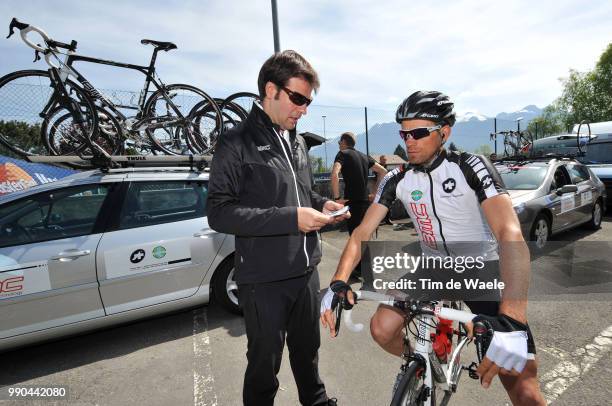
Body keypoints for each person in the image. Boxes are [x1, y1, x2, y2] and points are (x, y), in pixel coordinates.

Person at [320, 91, 546, 405]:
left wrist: (513, 317)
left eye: (418, 133)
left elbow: (510, 234)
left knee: (524, 391)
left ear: (444, 132)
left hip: (480, 270)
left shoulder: (470, 166)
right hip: (434, 268)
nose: (408, 141)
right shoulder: (397, 178)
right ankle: (425, 363)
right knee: (382, 328)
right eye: (403, 133)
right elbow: (361, 233)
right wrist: (338, 281)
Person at [207, 50, 348, 406]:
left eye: (308, 102)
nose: (303, 109)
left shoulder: (297, 140)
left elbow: (300, 194)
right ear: (271, 90)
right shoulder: (235, 142)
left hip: (306, 273)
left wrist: (320, 204)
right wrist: (291, 218)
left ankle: (315, 400)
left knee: (308, 352)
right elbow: (219, 213)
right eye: (298, 99)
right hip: (263, 279)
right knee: (263, 366)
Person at [330, 132, 387, 277]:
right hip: (365, 203)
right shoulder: (363, 156)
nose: (339, 145)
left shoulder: (342, 154)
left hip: (353, 203)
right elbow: (383, 171)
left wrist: (337, 198)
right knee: (363, 235)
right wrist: (375, 193)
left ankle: (363, 271)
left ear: (343, 142)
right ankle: (362, 269)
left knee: (355, 238)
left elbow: (335, 174)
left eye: (339, 142)